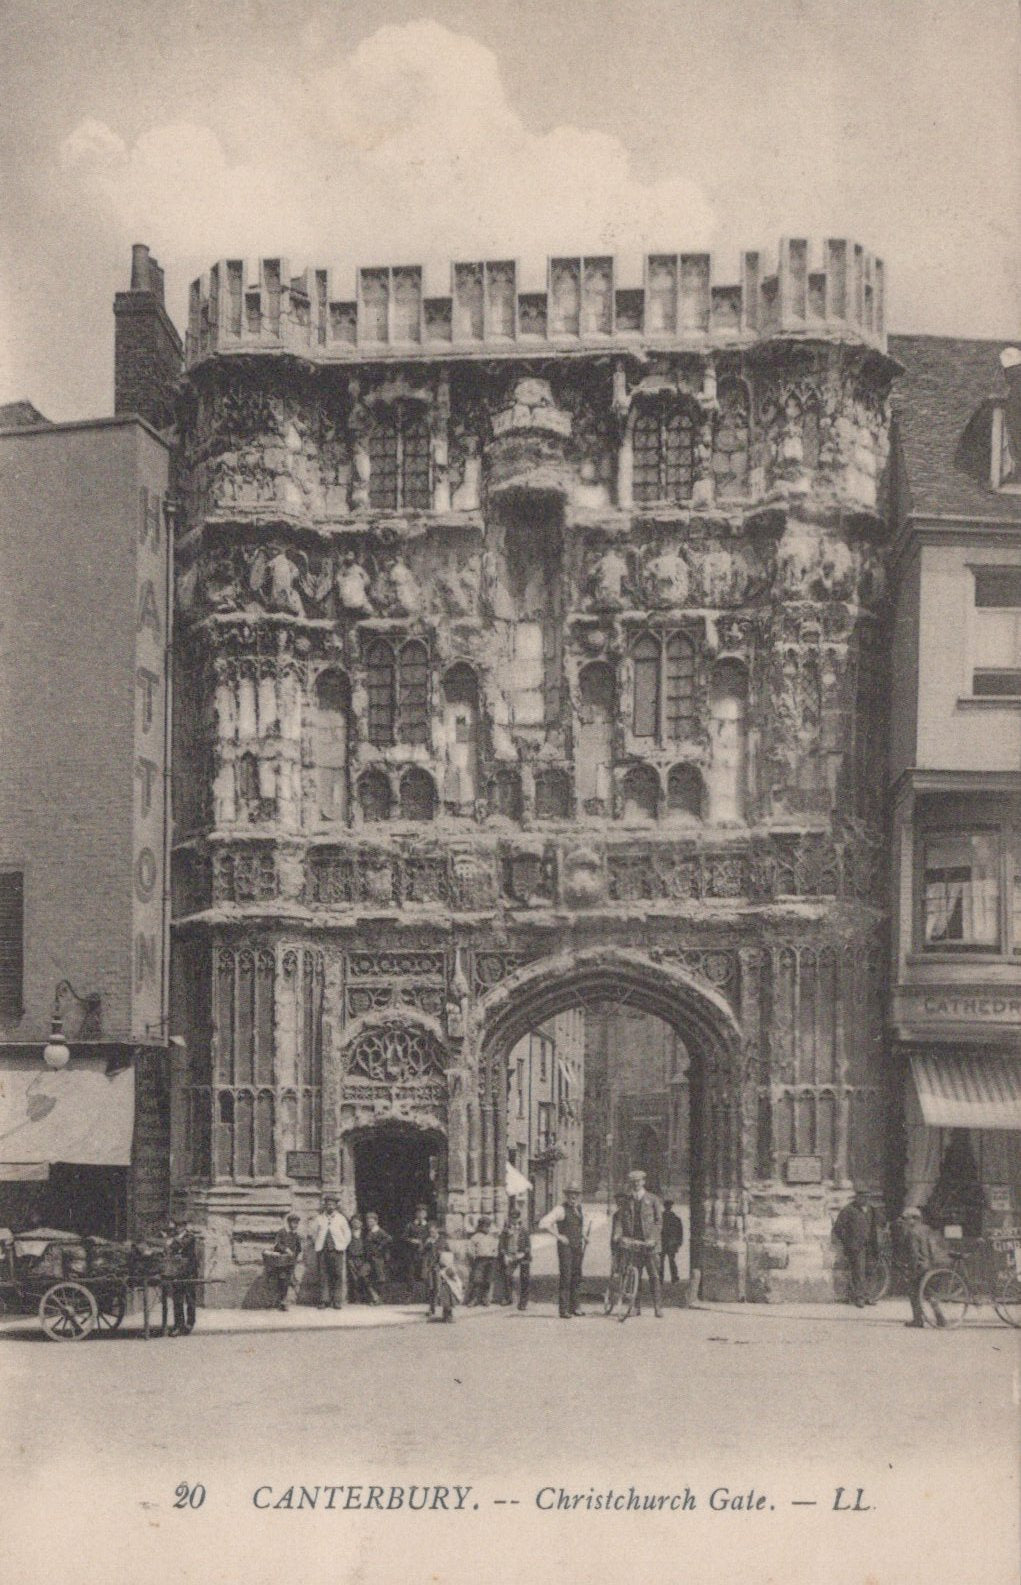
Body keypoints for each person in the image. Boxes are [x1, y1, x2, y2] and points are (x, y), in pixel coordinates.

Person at [619, 1169, 663, 1318]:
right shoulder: (626, 1201)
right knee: (633, 1276)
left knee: (654, 1276)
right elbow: (621, 1220)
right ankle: (635, 1307)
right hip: (634, 1244)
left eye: (638, 1181)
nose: (636, 1184)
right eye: (633, 1182)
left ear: (643, 1182)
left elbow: (659, 1222)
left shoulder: (653, 1199)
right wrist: (621, 1237)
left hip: (650, 1245)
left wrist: (653, 1239)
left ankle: (657, 1307)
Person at [539, 1185, 587, 1319]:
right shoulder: (560, 1209)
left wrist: (584, 1236)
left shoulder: (579, 1208)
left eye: (576, 1194)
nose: (574, 1197)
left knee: (577, 1276)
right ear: (566, 1195)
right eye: (571, 1194)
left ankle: (575, 1307)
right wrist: (559, 1236)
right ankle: (564, 1309)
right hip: (565, 1248)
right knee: (566, 1276)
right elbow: (543, 1223)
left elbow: (578, 1226)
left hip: (578, 1246)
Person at [832, 1187, 881, 1308]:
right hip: (856, 1247)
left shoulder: (871, 1210)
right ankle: (859, 1297)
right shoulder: (848, 1210)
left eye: (867, 1197)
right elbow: (838, 1228)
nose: (865, 1200)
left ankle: (869, 1296)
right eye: (863, 1197)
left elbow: (876, 1225)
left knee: (871, 1270)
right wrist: (848, 1242)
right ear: (857, 1198)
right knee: (858, 1272)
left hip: (870, 1245)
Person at [900, 1206, 946, 1328]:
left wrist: (911, 1269)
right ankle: (940, 1318)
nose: (904, 1221)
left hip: (919, 1266)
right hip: (929, 1265)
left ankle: (918, 1319)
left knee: (913, 1292)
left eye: (906, 1219)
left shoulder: (912, 1232)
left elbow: (914, 1253)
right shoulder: (926, 1229)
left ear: (913, 1219)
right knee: (929, 1293)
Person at [312, 1195, 351, 1309]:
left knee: (337, 1275)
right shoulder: (320, 1218)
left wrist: (342, 1245)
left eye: (332, 1204)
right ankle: (324, 1300)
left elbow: (347, 1234)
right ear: (325, 1205)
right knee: (323, 1275)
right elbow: (313, 1232)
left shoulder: (341, 1219)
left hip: (336, 1250)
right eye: (328, 1204)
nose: (330, 1206)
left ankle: (337, 1300)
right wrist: (318, 1243)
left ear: (336, 1206)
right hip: (323, 1251)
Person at [163, 1215, 198, 1336]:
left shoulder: (189, 1237)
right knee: (177, 1299)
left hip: (189, 1273)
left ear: (184, 1226)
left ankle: (190, 1323)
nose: (177, 1228)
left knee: (189, 1299)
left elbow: (178, 1246)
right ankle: (178, 1325)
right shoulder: (176, 1237)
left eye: (179, 1226)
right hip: (177, 1272)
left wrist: (169, 1241)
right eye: (176, 1226)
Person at [497, 1204, 532, 1310]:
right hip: (510, 1256)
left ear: (519, 1218)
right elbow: (501, 1245)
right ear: (509, 1218)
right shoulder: (505, 1231)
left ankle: (523, 1302)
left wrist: (523, 1253)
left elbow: (528, 1245)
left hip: (522, 1256)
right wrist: (504, 1255)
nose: (514, 1220)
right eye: (512, 1218)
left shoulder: (524, 1230)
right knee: (507, 1275)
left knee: (524, 1278)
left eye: (516, 1218)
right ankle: (508, 1298)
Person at [269, 1212, 303, 1311]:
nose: (295, 1225)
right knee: (282, 1280)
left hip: (290, 1262)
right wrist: (286, 1249)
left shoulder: (295, 1234)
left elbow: (299, 1248)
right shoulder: (282, 1232)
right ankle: (281, 1301)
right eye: (293, 1223)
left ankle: (283, 1301)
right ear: (289, 1223)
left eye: (297, 1223)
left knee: (287, 1280)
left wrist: (296, 1255)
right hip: (281, 1262)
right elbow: (277, 1244)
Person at [465, 1216, 498, 1306]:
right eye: (485, 1226)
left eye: (488, 1226)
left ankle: (485, 1299)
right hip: (479, 1260)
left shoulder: (491, 1237)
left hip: (490, 1260)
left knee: (488, 1280)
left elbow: (495, 1248)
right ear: (480, 1227)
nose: (487, 1228)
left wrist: (494, 1255)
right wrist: (474, 1258)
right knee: (477, 1280)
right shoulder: (475, 1237)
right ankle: (474, 1299)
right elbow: (470, 1250)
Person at [346, 1214, 379, 1304]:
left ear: (361, 1224)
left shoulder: (365, 1233)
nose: (355, 1224)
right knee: (354, 1278)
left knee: (364, 1276)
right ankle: (358, 1298)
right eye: (353, 1222)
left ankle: (373, 1296)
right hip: (351, 1258)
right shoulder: (348, 1232)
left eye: (357, 1222)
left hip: (363, 1258)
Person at [402, 1204, 431, 1296]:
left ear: (426, 1214)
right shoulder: (410, 1225)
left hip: (424, 1253)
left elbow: (433, 1236)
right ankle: (410, 1294)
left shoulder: (429, 1225)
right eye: (419, 1213)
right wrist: (411, 1240)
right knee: (411, 1273)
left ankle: (427, 1294)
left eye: (423, 1213)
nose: (421, 1215)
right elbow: (403, 1237)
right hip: (412, 1253)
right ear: (416, 1214)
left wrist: (427, 1241)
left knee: (425, 1273)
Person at [363, 1212, 392, 1297]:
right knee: (363, 1274)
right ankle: (374, 1295)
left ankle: (380, 1297)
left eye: (371, 1221)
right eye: (368, 1221)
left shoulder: (379, 1231)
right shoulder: (368, 1231)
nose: (369, 1223)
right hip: (369, 1258)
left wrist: (379, 1247)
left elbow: (388, 1238)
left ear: (376, 1222)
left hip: (378, 1257)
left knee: (379, 1277)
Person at [660, 1199, 684, 1286]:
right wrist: (678, 1243)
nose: (668, 1207)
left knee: (662, 1262)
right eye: (668, 1206)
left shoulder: (660, 1217)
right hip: (670, 1243)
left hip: (664, 1243)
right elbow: (680, 1233)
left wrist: (678, 1242)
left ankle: (661, 1278)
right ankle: (674, 1278)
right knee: (671, 1261)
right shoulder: (676, 1218)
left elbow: (680, 1232)